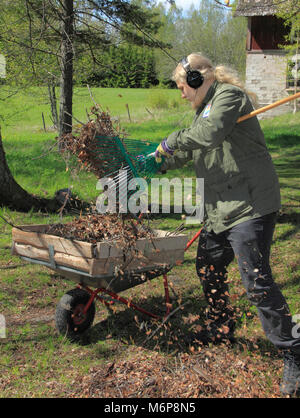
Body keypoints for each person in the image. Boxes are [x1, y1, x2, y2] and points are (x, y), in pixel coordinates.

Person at [155, 52, 300, 396]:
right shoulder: (202, 111)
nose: (181, 94)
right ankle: (221, 325)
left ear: (197, 79)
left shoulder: (229, 97)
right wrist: (159, 162)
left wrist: (172, 139)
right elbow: (196, 149)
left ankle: (293, 352)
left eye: (182, 87)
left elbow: (210, 134)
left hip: (250, 205)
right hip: (221, 209)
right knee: (208, 265)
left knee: (256, 283)